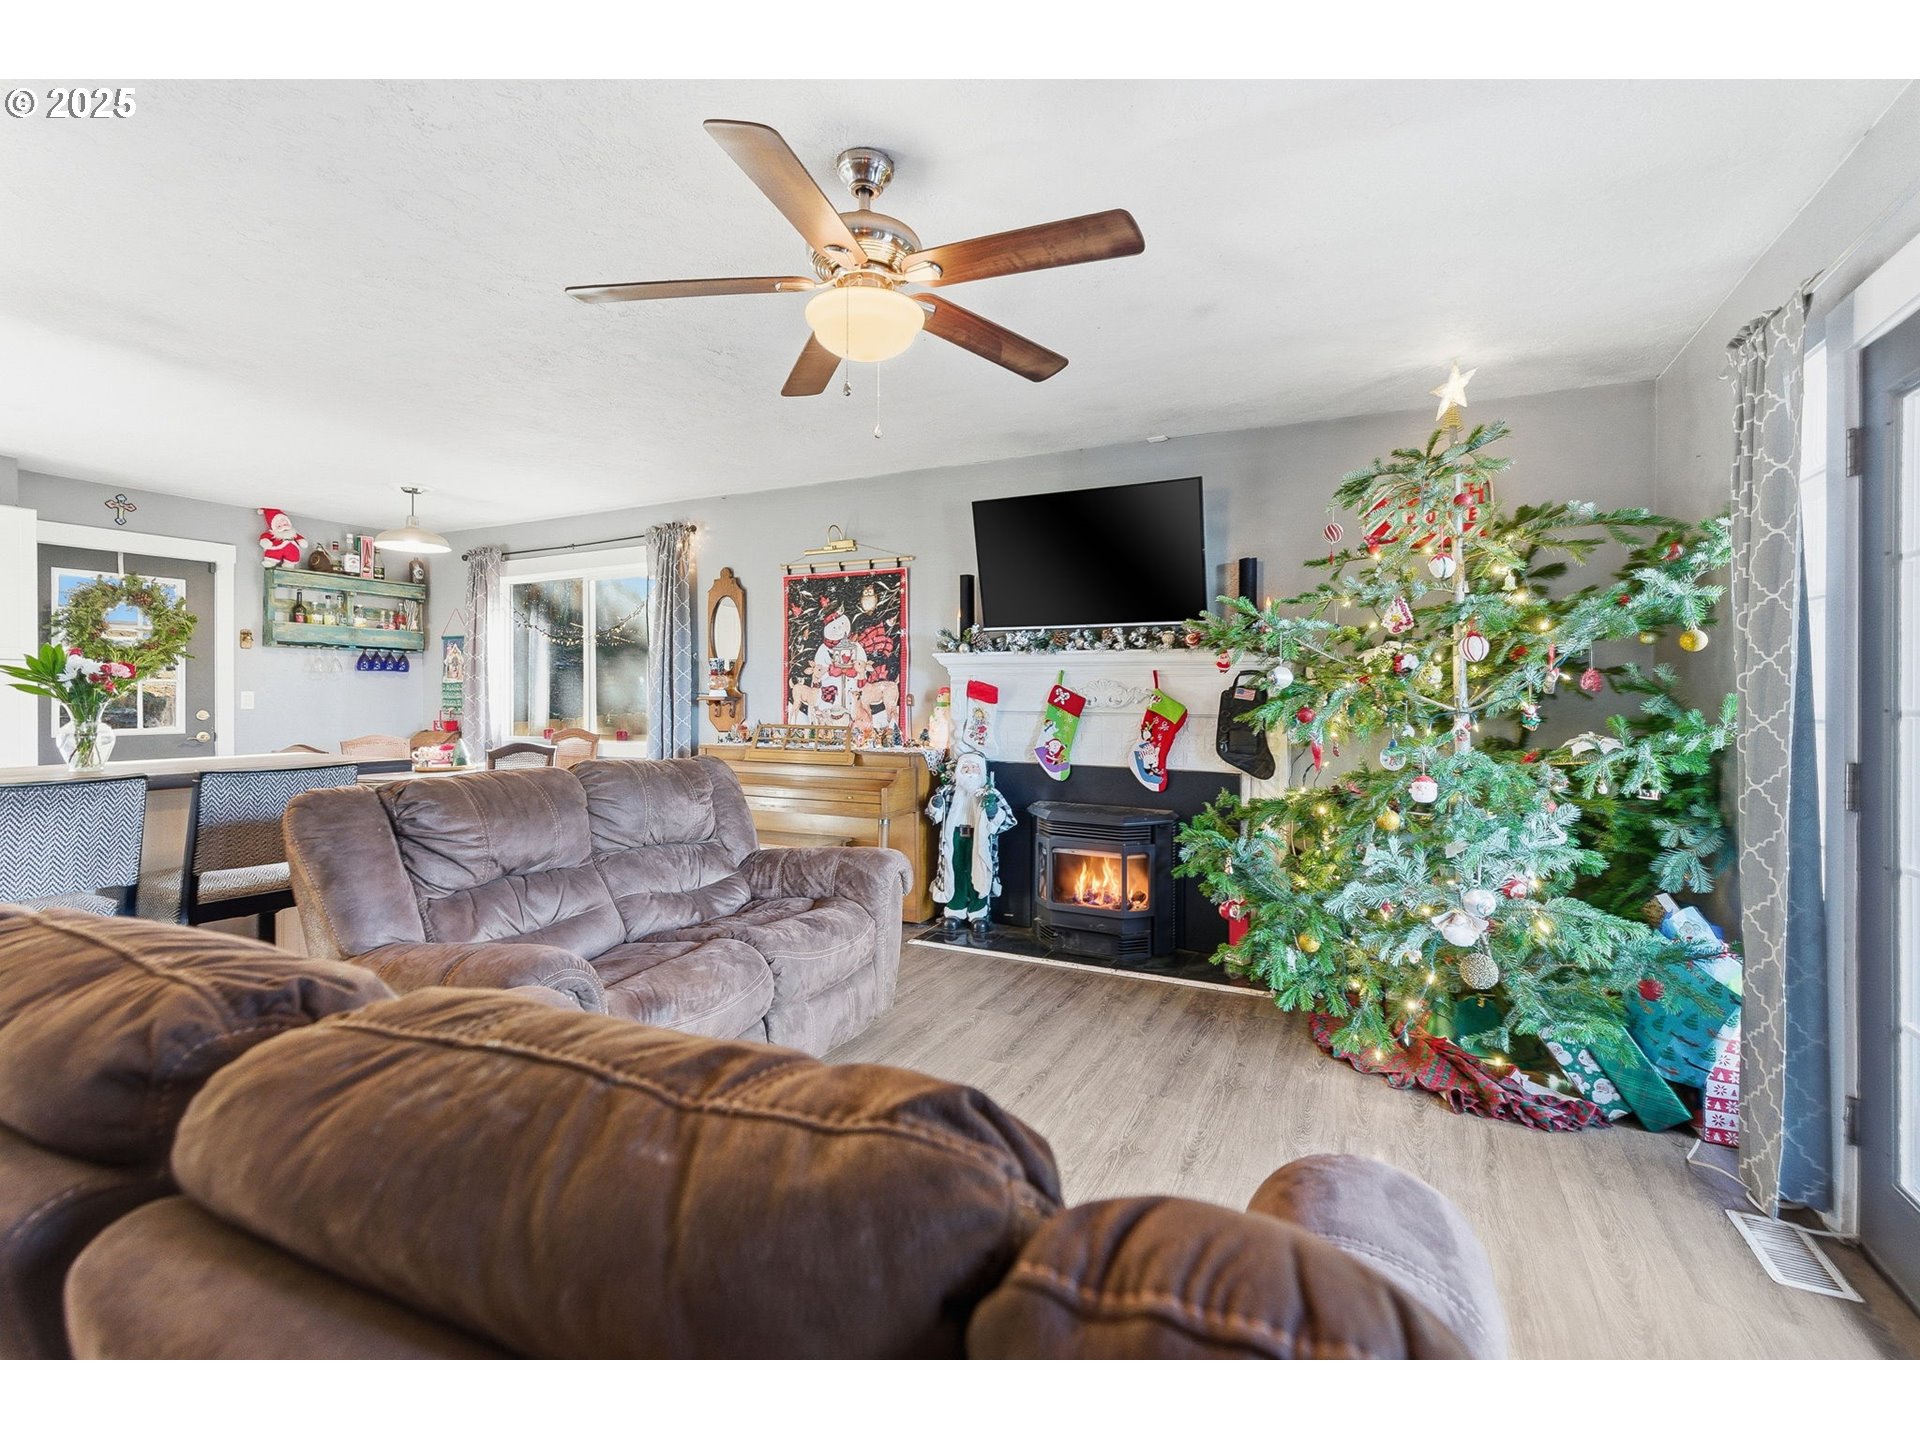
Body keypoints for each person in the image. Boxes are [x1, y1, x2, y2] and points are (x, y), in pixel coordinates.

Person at [926, 749, 1016, 941]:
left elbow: (1008, 820)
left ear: (981, 771)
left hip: (978, 839)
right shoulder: (948, 792)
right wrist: (936, 804)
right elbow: (934, 815)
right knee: (956, 872)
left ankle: (979, 912)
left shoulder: (990, 794)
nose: (970, 772)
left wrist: (993, 811)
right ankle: (954, 910)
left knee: (978, 872)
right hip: (955, 837)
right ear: (959, 771)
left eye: (974, 768)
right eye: (965, 768)